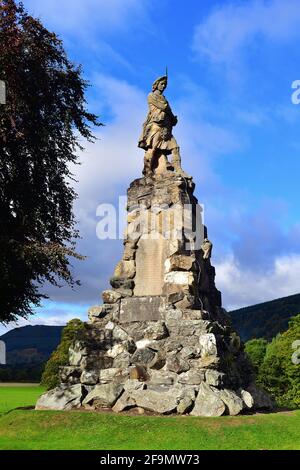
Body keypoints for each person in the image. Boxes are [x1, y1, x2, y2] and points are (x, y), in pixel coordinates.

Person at [138, 75, 184, 176]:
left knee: (175, 147)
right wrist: (169, 112)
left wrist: (172, 119)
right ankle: (147, 169)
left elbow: (168, 110)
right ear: (156, 85)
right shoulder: (151, 95)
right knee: (153, 149)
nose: (163, 86)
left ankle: (179, 170)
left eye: (165, 85)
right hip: (156, 126)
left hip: (166, 129)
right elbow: (163, 106)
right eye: (162, 84)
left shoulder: (164, 98)